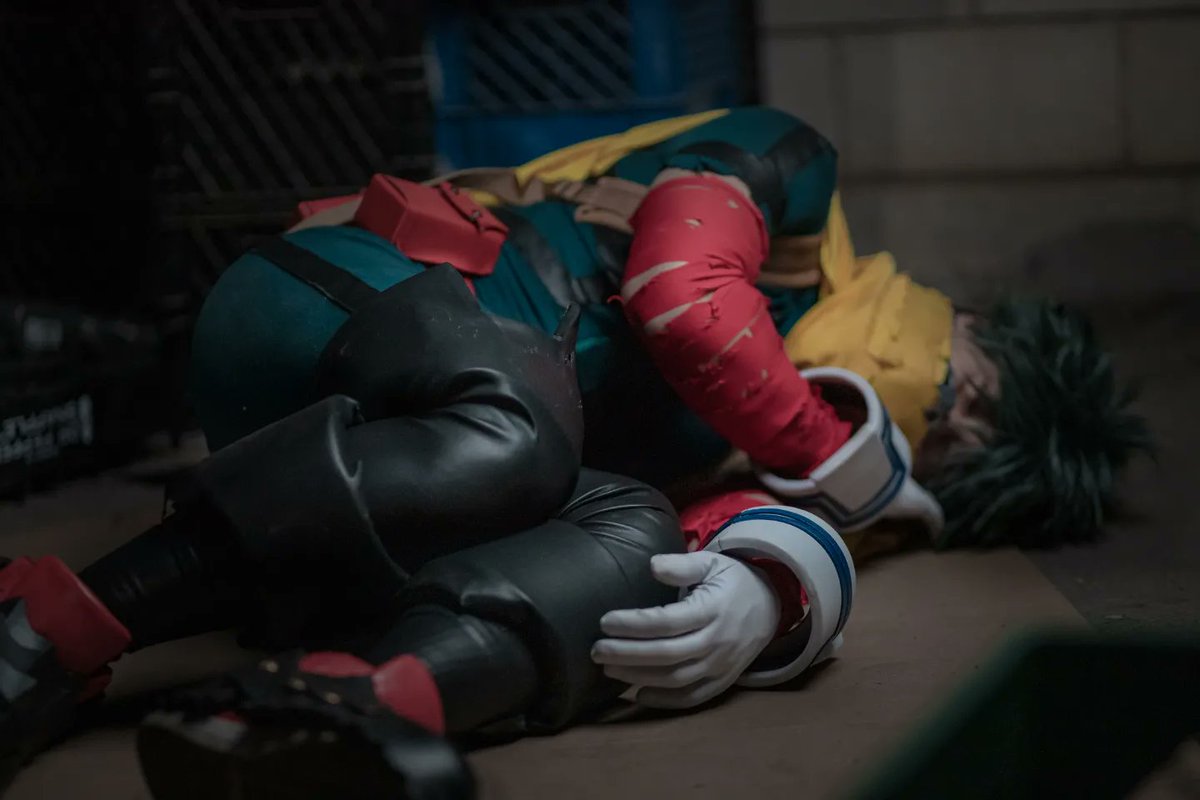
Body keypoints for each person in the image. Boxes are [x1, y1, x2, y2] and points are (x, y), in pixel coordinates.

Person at [0, 107, 1146, 799]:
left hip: (386, 496)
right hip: (339, 302)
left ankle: (345, 708)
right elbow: (683, 295)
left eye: (956, 451)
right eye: (972, 388)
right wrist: (838, 456)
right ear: (966, 321)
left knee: (633, 535)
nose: (938, 415)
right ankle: (49, 623)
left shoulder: (776, 457)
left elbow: (706, 539)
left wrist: (770, 592)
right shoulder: (799, 180)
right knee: (523, 434)